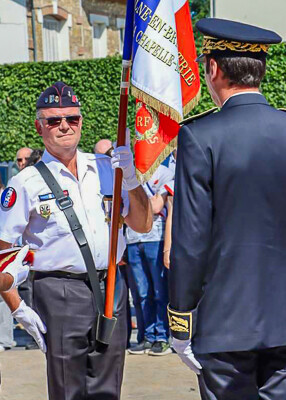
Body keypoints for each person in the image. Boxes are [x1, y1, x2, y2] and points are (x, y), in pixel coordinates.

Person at [0, 81, 152, 400]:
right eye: (54, 120)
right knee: (69, 390)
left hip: (111, 285)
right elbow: (2, 253)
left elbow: (142, 223)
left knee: (108, 388)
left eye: (72, 118)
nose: (65, 126)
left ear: (82, 121)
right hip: (59, 291)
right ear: (39, 126)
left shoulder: (107, 169)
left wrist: (134, 179)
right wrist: (17, 308)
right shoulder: (23, 183)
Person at [168, 18, 286, 400]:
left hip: (224, 326)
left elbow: (190, 239)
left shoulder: (200, 135)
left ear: (213, 69)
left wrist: (181, 319)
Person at [127, 164, 174, 356]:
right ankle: (147, 335)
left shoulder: (164, 173)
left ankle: (162, 337)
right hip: (132, 238)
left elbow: (157, 206)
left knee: (159, 291)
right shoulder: (127, 174)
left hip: (156, 237)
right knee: (142, 292)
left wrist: (136, 199)